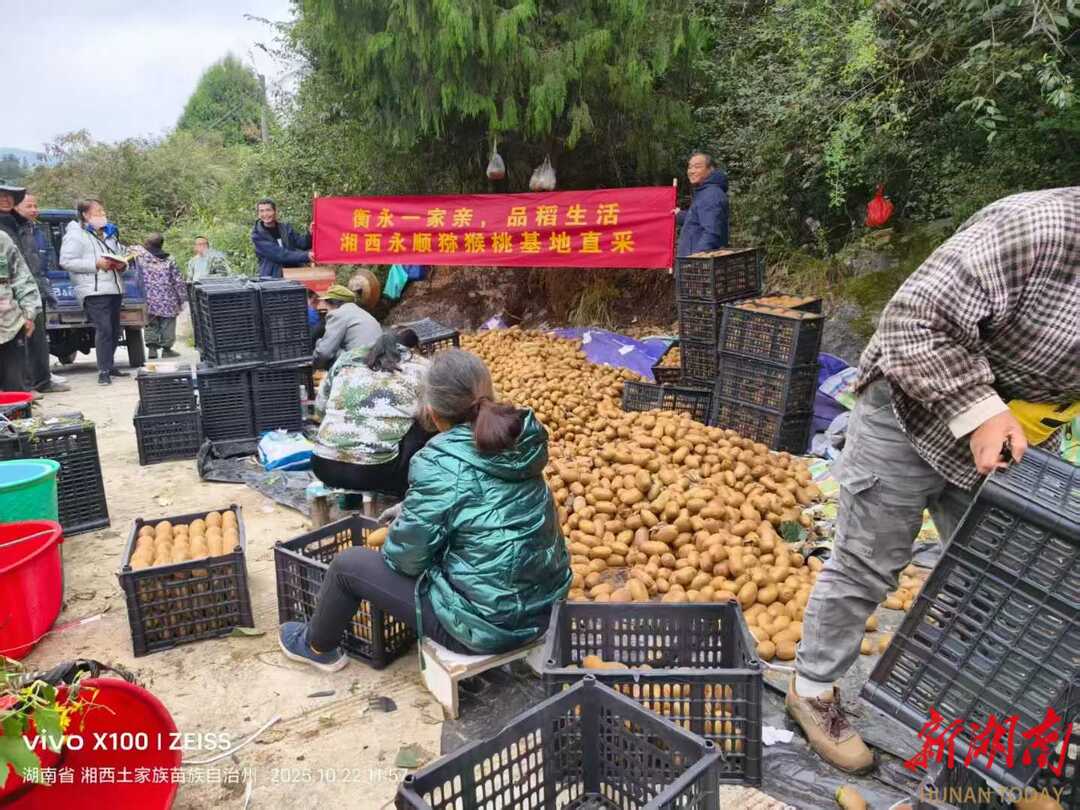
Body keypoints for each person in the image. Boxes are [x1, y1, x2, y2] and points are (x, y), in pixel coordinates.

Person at [786, 188, 1080, 774]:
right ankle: (812, 689)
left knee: (1007, 575)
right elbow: (913, 320)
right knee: (870, 559)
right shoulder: (1039, 229)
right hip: (911, 407)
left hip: (1018, 429)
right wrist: (978, 408)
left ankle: (984, 708)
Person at [279, 348, 572, 671]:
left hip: (486, 630)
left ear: (432, 414)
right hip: (547, 612)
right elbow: (477, 499)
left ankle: (317, 646)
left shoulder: (436, 461)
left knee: (348, 565)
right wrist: (412, 508)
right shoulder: (520, 440)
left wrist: (402, 532)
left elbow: (406, 559)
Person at [312, 331, 432, 498]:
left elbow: (319, 410)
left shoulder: (346, 358)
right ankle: (408, 487)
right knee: (428, 423)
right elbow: (434, 416)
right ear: (413, 348)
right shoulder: (421, 366)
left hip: (323, 466)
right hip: (376, 473)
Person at [1, 187, 68, 393]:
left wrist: (29, 311)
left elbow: (22, 276)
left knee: (15, 386)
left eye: (9, 196)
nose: (5, 199)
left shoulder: (13, 232)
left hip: (10, 322)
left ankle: (37, 384)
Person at [59, 197, 129, 385]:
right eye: (97, 213)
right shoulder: (75, 235)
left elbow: (120, 255)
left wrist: (123, 265)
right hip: (93, 290)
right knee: (104, 328)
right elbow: (66, 261)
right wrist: (95, 264)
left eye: (103, 212)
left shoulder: (109, 234)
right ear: (85, 215)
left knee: (114, 329)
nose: (102, 216)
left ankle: (110, 364)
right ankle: (103, 371)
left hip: (113, 287)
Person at [130, 234, 187, 359]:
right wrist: (182, 298)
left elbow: (130, 250)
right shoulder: (169, 259)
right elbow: (178, 280)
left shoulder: (141, 257)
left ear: (147, 244)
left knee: (150, 323)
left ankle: (152, 350)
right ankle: (167, 349)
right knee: (168, 324)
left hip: (149, 298)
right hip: (168, 299)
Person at [0, 229, 42, 391]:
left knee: (15, 391)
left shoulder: (2, 240)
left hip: (8, 326)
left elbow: (22, 278)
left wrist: (29, 313)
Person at [312, 284, 382, 369]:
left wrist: (313, 366)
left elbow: (324, 352)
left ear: (331, 303)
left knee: (322, 344)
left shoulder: (338, 314)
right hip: (377, 362)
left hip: (360, 364)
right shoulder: (361, 312)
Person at [676, 151, 730, 255]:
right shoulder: (704, 192)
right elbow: (700, 218)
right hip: (693, 263)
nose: (691, 171)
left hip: (696, 266)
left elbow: (712, 233)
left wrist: (697, 262)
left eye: (697, 167)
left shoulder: (711, 195)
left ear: (710, 169)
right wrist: (680, 215)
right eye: (690, 167)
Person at [251, 198, 313, 279]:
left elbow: (303, 244)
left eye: (268, 210)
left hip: (294, 274)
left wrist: (311, 234)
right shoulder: (257, 236)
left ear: (275, 211)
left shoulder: (285, 228)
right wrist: (306, 256)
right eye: (261, 211)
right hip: (273, 278)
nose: (265, 214)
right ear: (258, 214)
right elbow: (280, 255)